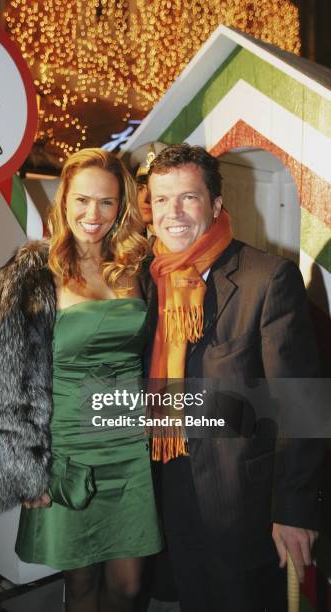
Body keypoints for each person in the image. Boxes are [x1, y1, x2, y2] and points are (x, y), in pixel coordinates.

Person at [0, 148, 163, 612]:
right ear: (63, 201)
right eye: (81, 200)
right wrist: (26, 467)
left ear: (121, 208)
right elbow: (8, 380)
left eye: (106, 202)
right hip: (68, 449)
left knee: (129, 585)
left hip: (131, 447)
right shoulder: (32, 272)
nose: (92, 214)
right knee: (80, 583)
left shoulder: (138, 268)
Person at [144, 143, 324, 612]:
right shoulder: (149, 280)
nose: (174, 212)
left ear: (216, 204)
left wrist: (293, 511)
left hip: (240, 503)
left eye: (188, 197)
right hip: (167, 484)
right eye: (162, 199)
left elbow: (301, 405)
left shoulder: (269, 278)